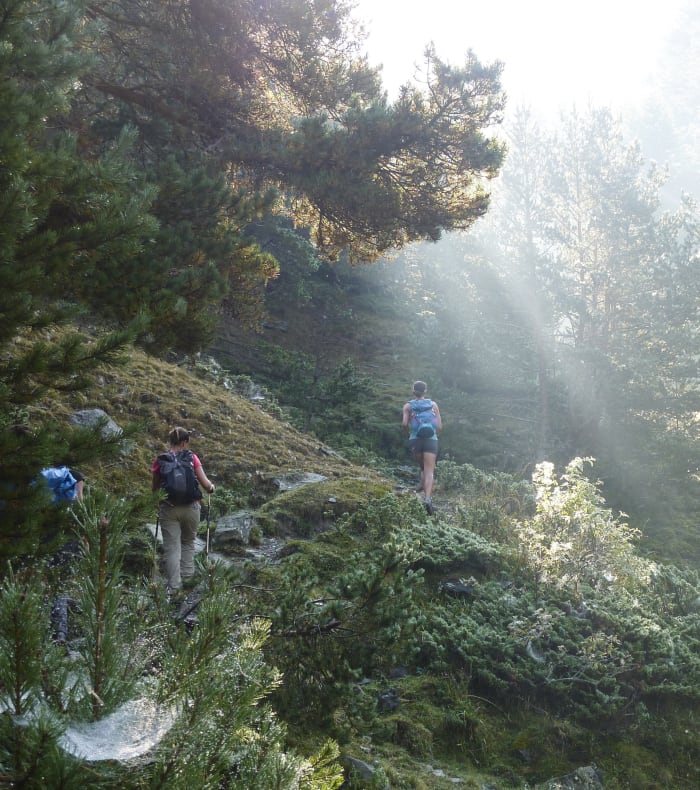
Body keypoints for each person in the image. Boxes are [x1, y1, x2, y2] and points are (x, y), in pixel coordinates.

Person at [151, 427, 215, 594]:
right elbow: (206, 485)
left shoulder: (161, 460)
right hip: (191, 508)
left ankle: (173, 588)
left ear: (170, 441)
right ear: (185, 442)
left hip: (169, 508)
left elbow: (155, 489)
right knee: (188, 543)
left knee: (172, 548)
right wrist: (211, 488)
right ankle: (187, 584)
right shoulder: (192, 457)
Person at [402, 381, 442, 515]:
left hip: (415, 440)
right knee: (429, 470)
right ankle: (428, 499)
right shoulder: (433, 404)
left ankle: (422, 487)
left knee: (423, 467)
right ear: (425, 391)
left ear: (413, 391)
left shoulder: (408, 406)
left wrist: (409, 435)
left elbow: (404, 423)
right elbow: (439, 426)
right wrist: (435, 436)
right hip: (431, 440)